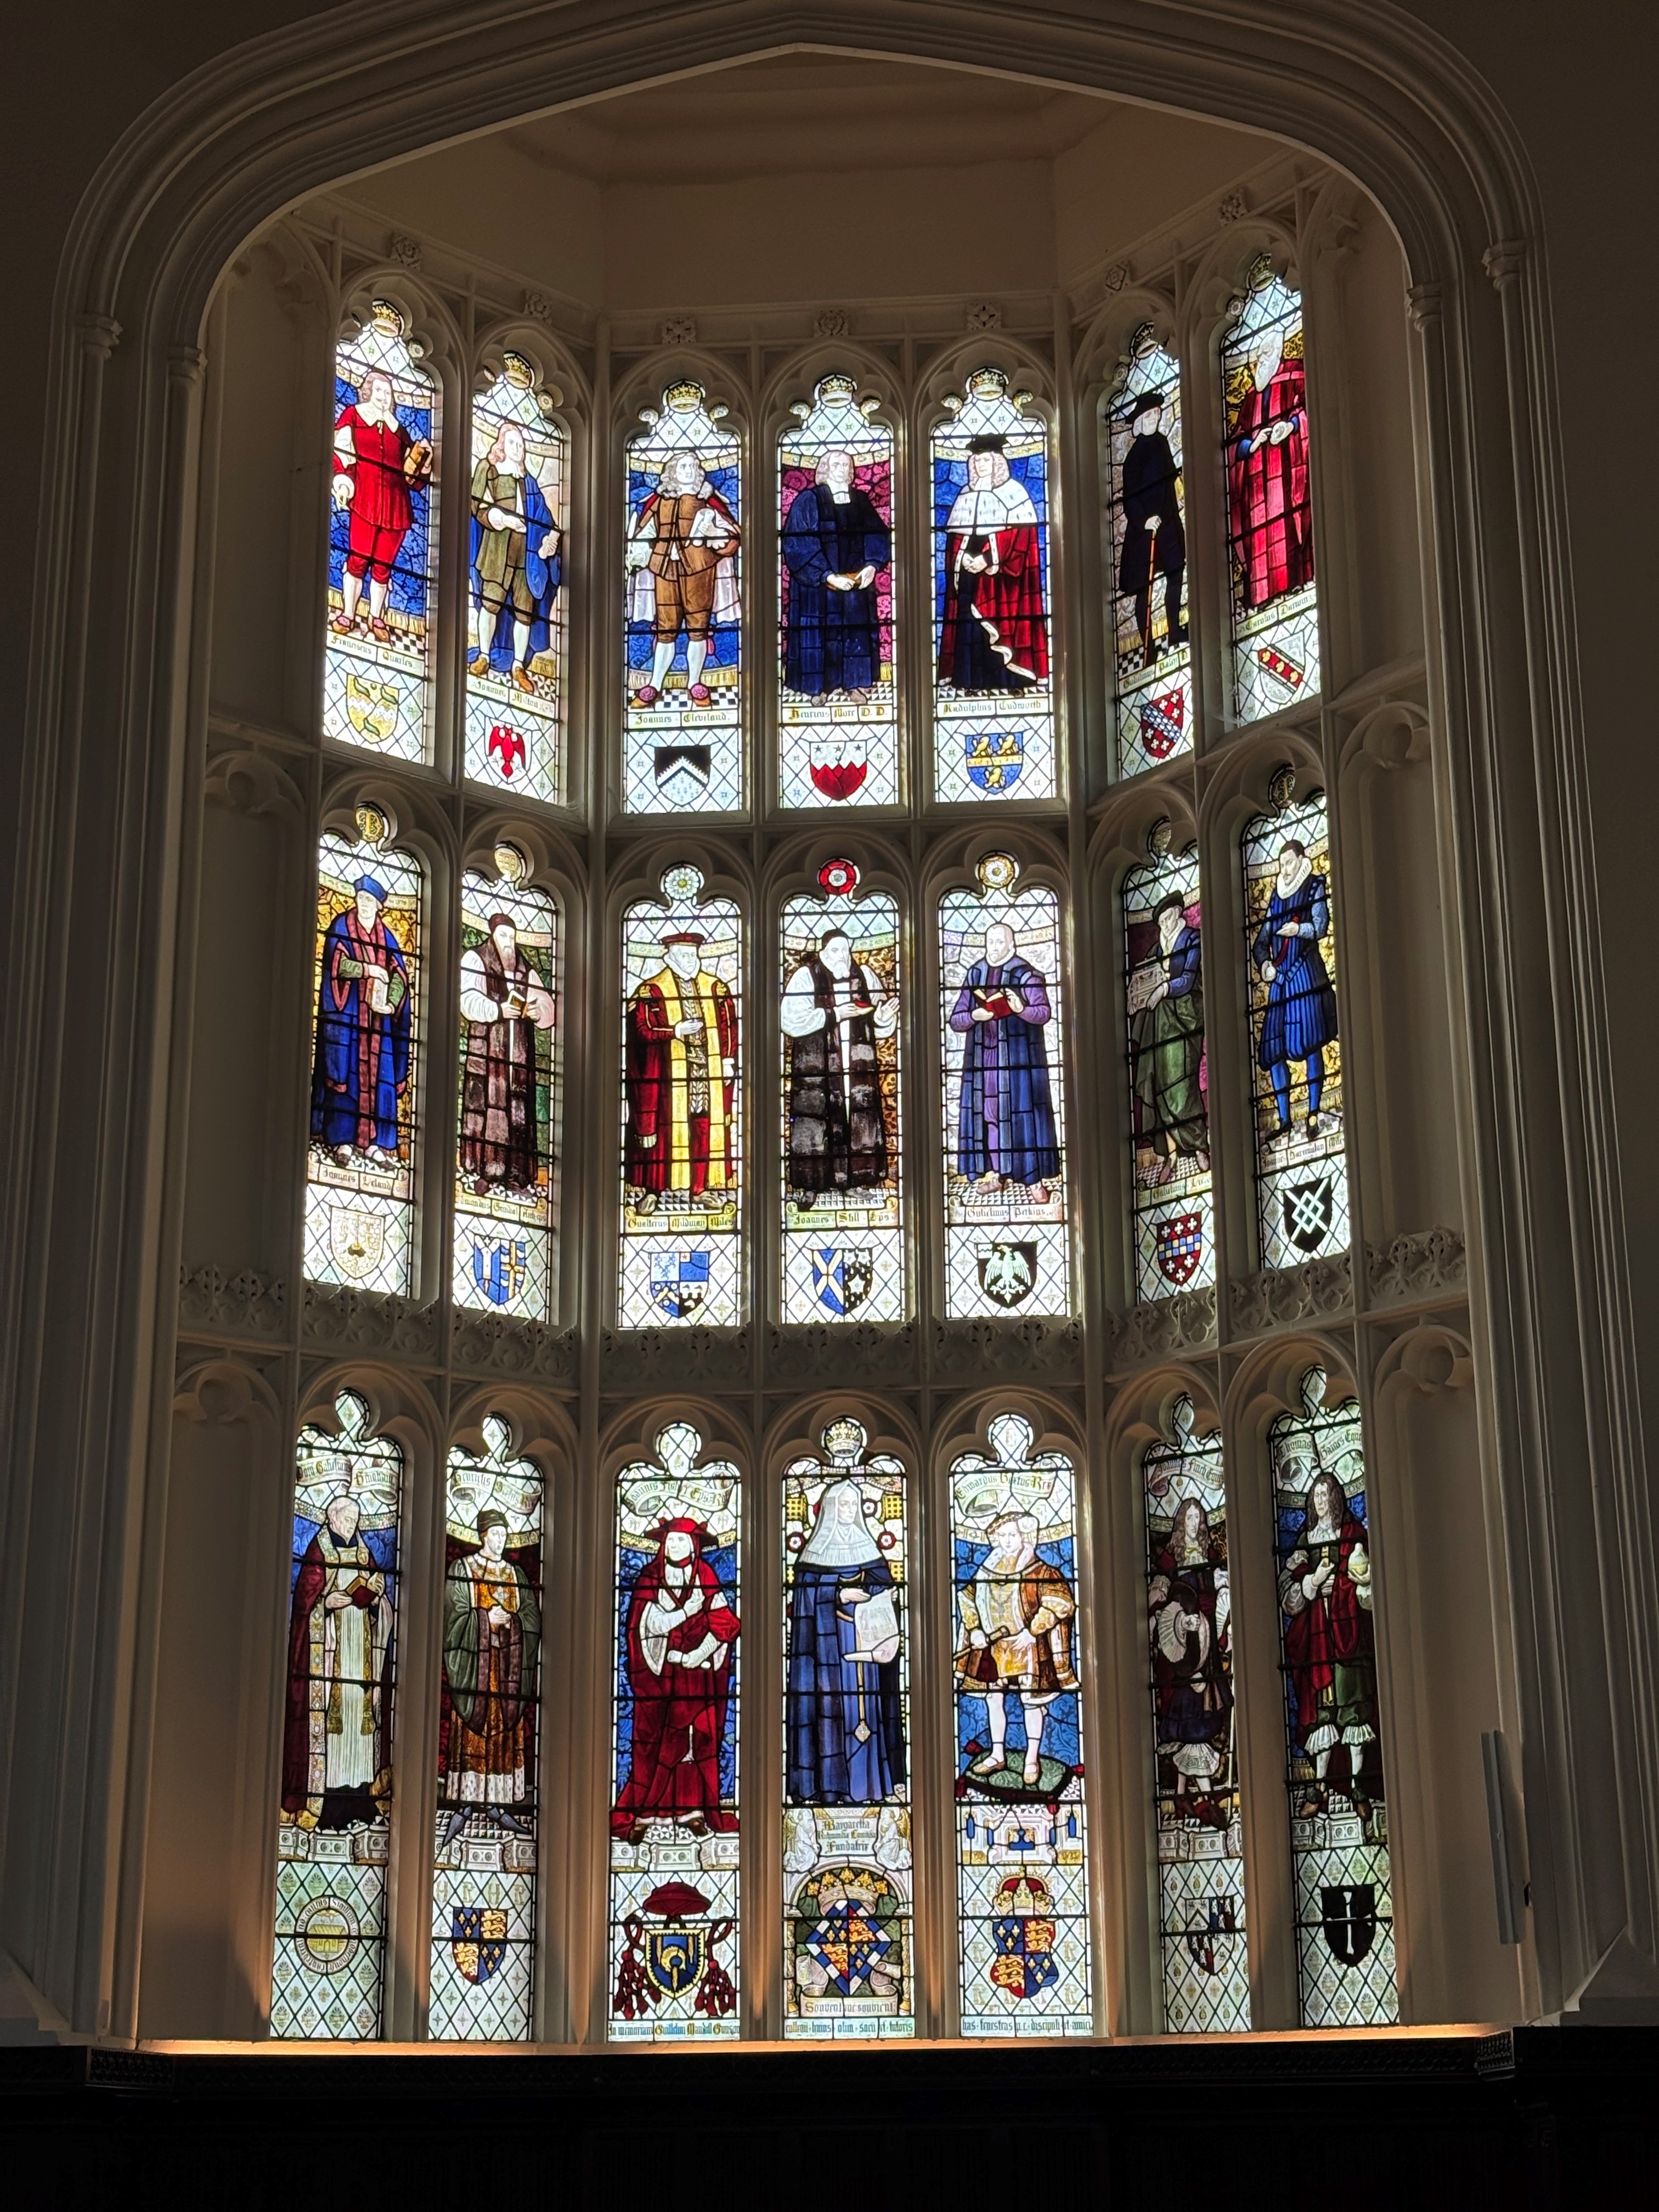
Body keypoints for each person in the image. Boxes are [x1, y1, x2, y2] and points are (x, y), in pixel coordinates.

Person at [612, 1519, 740, 1838]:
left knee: (696, 1742)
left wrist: (697, 1655)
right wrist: (687, 1613)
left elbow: (725, 1622)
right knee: (654, 1744)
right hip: (658, 1678)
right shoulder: (649, 1579)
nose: (675, 1547)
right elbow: (644, 1627)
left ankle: (692, 1810)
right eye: (671, 1542)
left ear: (694, 1546)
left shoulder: (705, 1576)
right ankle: (647, 1812)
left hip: (697, 1678)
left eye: (682, 1542)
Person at [786, 1480, 905, 1805]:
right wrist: (837, 1594)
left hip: (868, 1644)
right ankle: (831, 1787)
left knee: (869, 1710)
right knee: (830, 1708)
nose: (849, 1511)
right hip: (830, 1650)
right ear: (829, 1510)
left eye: (854, 1505)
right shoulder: (814, 1554)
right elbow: (804, 1598)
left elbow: (885, 1590)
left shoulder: (871, 1553)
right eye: (843, 1505)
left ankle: (871, 1787)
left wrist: (881, 1598)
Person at [280, 1494, 393, 1829]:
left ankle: (359, 1796)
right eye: (347, 1519)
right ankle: (326, 1799)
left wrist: (375, 1593)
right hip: (330, 1652)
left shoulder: (362, 1552)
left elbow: (376, 1592)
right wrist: (327, 1602)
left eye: (356, 1519)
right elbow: (304, 1602)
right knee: (335, 1721)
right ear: (332, 1519)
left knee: (359, 1722)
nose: (352, 1525)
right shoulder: (319, 1552)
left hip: (361, 1651)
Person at [1278, 1468, 1378, 1815]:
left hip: (1349, 1639)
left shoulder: (1352, 1534)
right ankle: (1317, 1790)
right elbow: (1287, 1594)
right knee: (1323, 1716)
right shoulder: (1306, 1541)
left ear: (1335, 1499)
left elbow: (1369, 1582)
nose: (1321, 1501)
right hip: (1318, 1641)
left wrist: (1344, 1587)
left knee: (1353, 1713)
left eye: (1326, 1494)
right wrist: (1310, 1586)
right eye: (1316, 1496)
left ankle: (1357, 1786)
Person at [439, 1509, 541, 1846]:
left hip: (507, 1668)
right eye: (495, 1534)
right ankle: (466, 1804)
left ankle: (499, 1805)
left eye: (504, 1535)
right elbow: (452, 1618)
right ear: (483, 1536)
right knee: (473, 1734)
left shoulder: (515, 1574)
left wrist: (510, 1620)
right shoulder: (463, 1569)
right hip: (476, 1671)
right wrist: (484, 1619)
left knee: (502, 1733)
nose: (501, 1541)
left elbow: (531, 1616)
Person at [955, 1511, 1077, 1788]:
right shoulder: (987, 1569)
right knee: (993, 1699)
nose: (1008, 1541)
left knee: (1030, 1703)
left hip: (1027, 1647)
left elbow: (1061, 1603)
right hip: (993, 1648)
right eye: (1002, 1535)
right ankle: (997, 1754)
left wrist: (1032, 1630)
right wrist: (974, 1629)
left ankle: (1032, 1759)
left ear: (1025, 1537)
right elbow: (968, 1598)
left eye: (1013, 1535)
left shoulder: (1040, 1571)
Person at [780, 929, 898, 1207]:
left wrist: (881, 1017)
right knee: (815, 1119)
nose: (842, 957)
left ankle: (855, 1181)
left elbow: (879, 1024)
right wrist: (835, 1014)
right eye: (835, 951)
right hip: (817, 1066)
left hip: (855, 1064)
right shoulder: (805, 976)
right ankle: (812, 1184)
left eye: (845, 951)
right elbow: (790, 1020)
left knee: (857, 1117)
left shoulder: (866, 976)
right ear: (823, 952)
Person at [624, 931, 738, 1212]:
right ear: (669, 957)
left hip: (705, 1072)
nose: (690, 960)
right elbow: (640, 1030)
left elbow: (729, 1026)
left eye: (693, 954)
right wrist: (674, 1031)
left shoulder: (714, 988)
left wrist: (727, 1060)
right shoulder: (651, 991)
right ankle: (653, 1190)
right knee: (663, 1130)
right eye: (684, 955)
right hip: (667, 1075)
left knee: (702, 1127)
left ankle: (699, 1189)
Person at [949, 921, 1059, 1197]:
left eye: (1000, 942)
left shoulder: (1028, 975)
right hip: (984, 1061)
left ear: (1012, 944)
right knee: (990, 1117)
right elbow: (956, 1019)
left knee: (1023, 1116)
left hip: (1018, 1062)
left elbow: (1043, 1013)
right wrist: (975, 1016)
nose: (994, 948)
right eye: (991, 942)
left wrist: (1020, 1008)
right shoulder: (976, 974)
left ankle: (1033, 1180)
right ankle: (998, 1174)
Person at [625, 450, 740, 706]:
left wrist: (713, 533)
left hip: (699, 569)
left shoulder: (709, 501)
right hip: (664, 568)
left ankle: (695, 682)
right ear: (673, 472)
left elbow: (733, 538)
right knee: (666, 629)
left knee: (698, 628)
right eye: (683, 466)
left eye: (693, 466)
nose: (689, 470)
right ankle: (655, 683)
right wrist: (638, 551)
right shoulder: (658, 501)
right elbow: (643, 532)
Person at [311, 874, 411, 1164]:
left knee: (380, 1081)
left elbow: (400, 975)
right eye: (361, 899)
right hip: (350, 1018)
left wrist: (391, 1003)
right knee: (346, 1077)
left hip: (379, 1026)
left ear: (380, 906)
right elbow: (336, 964)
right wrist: (368, 970)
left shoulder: (388, 937)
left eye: (370, 901)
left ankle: (375, 1144)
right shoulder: (341, 926)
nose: (364, 904)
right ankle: (342, 1142)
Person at [936, 435, 1048, 693]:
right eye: (977, 461)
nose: (981, 465)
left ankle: (1010, 679)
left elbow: (1022, 538)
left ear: (998, 462)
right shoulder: (965, 495)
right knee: (970, 623)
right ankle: (971, 680)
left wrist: (988, 559)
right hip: (968, 569)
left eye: (986, 460)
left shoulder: (1014, 493)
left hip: (1002, 575)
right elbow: (955, 538)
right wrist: (962, 557)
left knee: (1003, 622)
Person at [331, 366, 432, 645]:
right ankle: (348, 613)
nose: (384, 397)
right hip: (365, 498)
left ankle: (377, 617)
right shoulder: (353, 416)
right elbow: (342, 450)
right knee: (358, 558)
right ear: (367, 392)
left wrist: (423, 462)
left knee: (383, 566)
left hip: (396, 506)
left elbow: (414, 477)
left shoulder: (399, 431)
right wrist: (342, 480)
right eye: (379, 391)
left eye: (388, 393)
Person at [1148, 1499, 1232, 1825]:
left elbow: (1222, 1592)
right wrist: (1169, 1616)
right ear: (1182, 1524)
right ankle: (1207, 1799)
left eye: (1199, 1518)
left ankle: (1182, 1794)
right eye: (1189, 1518)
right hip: (1181, 1653)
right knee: (1190, 1722)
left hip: (1208, 1647)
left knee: (1198, 1720)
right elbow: (1161, 1597)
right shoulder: (1171, 1559)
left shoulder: (1212, 1557)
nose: (1195, 1523)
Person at [780, 449, 890, 697]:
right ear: (825, 469)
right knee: (819, 636)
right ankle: (818, 688)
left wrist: (871, 565)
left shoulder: (860, 501)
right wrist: (827, 576)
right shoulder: (809, 500)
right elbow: (798, 544)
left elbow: (878, 534)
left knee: (854, 633)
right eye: (836, 464)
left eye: (846, 464)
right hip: (818, 588)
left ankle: (853, 685)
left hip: (855, 582)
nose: (842, 469)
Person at [459, 912, 554, 1195]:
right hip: (488, 1051)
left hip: (518, 1056)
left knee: (519, 1113)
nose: (508, 943)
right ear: (493, 937)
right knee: (487, 1108)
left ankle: (516, 1176)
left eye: (512, 937)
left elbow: (548, 1007)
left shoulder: (526, 969)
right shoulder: (476, 959)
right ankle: (485, 1171)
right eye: (503, 936)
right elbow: (467, 999)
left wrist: (539, 1012)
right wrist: (497, 1010)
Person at [1251, 839, 1339, 1137]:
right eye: (1281, 864)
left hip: (1305, 975)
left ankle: (1313, 1113)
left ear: (1301, 860)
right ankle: (1285, 1118)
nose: (1284, 869)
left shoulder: (1314, 886)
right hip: (1280, 981)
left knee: (1311, 1044)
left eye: (1288, 862)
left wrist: (1297, 930)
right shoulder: (1276, 898)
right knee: (1275, 1050)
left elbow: (1320, 925)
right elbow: (1261, 942)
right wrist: (1265, 966)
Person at [468, 421, 562, 692]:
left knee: (525, 614)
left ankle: (519, 666)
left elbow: (546, 519)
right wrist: (501, 519)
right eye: (513, 443)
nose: (518, 449)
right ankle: (485, 656)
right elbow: (477, 504)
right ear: (501, 445)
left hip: (527, 558)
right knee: (491, 604)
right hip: (497, 550)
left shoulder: (529, 482)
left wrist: (550, 540)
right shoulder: (490, 470)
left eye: (521, 445)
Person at [1227, 322, 1312, 608]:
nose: (1261, 361)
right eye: (1258, 357)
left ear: (1278, 352)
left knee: (1286, 527)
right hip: (1256, 489)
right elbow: (1236, 441)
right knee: (1260, 540)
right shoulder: (1251, 397)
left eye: (1266, 354)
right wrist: (1249, 445)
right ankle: (1261, 600)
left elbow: (1309, 412)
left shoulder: (1296, 376)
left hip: (1286, 475)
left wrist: (1290, 426)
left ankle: (1294, 590)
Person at [1129, 895, 1207, 1184]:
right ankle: (1170, 1158)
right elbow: (1142, 981)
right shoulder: (1156, 948)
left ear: (1178, 913)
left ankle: (1200, 1146)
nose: (1163, 924)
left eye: (1167, 918)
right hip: (1158, 1023)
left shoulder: (1192, 940)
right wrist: (1136, 996)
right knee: (1160, 1087)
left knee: (1182, 1087)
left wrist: (1164, 989)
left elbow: (1189, 978)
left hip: (1184, 1018)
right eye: (1159, 921)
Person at [1118, 390, 1187, 658]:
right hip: (1145, 532)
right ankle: (1146, 646)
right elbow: (1129, 497)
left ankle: (1174, 630)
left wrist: (1177, 496)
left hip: (1168, 522)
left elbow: (1170, 476)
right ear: (1140, 421)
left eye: (1157, 414)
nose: (1154, 418)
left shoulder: (1161, 442)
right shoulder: (1135, 456)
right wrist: (1145, 520)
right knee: (1143, 590)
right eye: (1149, 415)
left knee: (1175, 574)